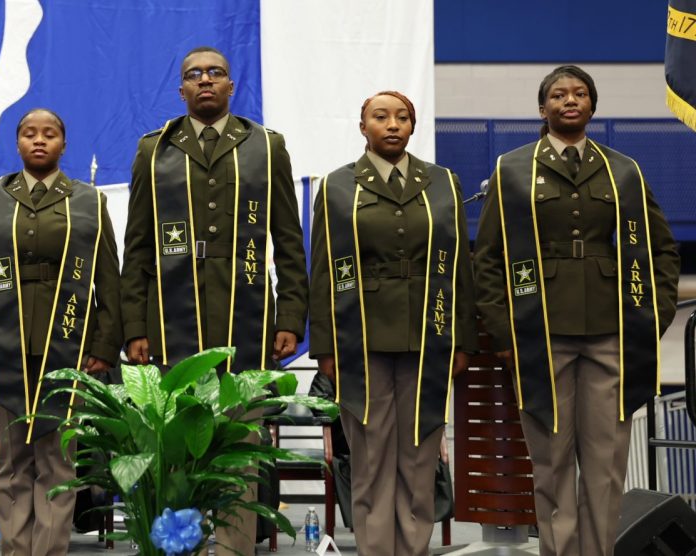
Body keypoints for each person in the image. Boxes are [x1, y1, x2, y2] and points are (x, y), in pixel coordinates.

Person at [474, 65, 680, 556]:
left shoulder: (622, 169)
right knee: (551, 463)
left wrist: (656, 317)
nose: (571, 100)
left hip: (611, 332)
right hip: (539, 333)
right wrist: (505, 335)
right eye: (559, 94)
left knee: (607, 466)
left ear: (592, 105)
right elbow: (487, 261)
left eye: (581, 93)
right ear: (542, 108)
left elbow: (661, 249)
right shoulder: (512, 168)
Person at [120, 46, 307, 554]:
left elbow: (288, 237)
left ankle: (232, 549)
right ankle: (182, 548)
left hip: (245, 319)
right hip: (170, 320)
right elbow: (137, 245)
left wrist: (289, 314)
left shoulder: (267, 147)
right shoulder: (153, 150)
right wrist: (134, 326)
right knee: (177, 450)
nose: (205, 80)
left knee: (240, 451)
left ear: (231, 85)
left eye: (216, 73)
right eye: (194, 75)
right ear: (180, 89)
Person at [309, 91, 476, 556]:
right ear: (363, 127)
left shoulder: (443, 182)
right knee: (370, 456)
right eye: (380, 117)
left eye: (403, 117)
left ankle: (414, 548)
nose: (393, 125)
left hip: (429, 334)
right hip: (360, 339)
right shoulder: (340, 186)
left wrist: (463, 337)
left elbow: (463, 265)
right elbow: (322, 269)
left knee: (421, 456)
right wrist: (325, 346)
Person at [0, 108, 122, 556]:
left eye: (49, 134)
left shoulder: (88, 200)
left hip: (68, 347)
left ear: (64, 144)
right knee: (10, 458)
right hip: (1, 348)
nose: (39, 140)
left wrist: (104, 344)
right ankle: (14, 550)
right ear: (18, 142)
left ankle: (47, 551)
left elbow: (110, 280)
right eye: (29, 134)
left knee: (56, 459)